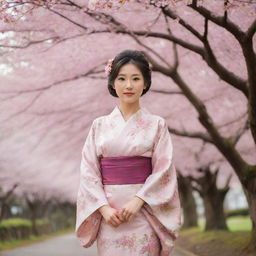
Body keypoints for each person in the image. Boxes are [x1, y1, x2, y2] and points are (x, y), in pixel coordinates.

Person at [75, 49, 182, 256]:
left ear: (146, 83)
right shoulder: (99, 125)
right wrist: (104, 209)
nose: (129, 85)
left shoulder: (157, 125)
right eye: (122, 79)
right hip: (110, 216)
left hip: (143, 212)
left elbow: (164, 170)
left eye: (135, 78)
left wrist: (138, 200)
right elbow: (88, 172)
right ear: (113, 83)